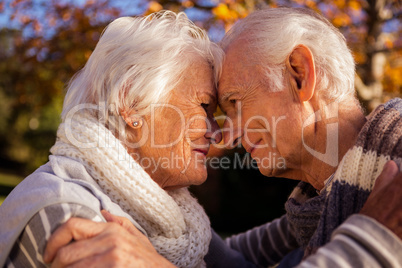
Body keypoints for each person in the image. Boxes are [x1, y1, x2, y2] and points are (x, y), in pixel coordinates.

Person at [38, 7, 402, 268]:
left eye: (234, 103)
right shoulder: (316, 209)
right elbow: (236, 256)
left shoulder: (394, 164)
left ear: (299, 74)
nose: (227, 135)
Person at [0, 11, 226, 268]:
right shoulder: (72, 217)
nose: (215, 132)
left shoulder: (171, 214)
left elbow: (236, 259)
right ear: (131, 103)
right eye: (204, 105)